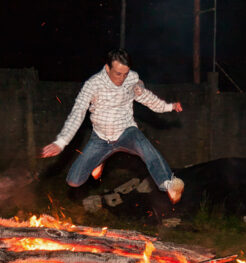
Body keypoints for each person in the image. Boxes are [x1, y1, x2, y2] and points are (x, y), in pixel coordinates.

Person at [41, 49, 184, 203]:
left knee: (146, 149)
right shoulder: (93, 85)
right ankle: (100, 160)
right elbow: (77, 114)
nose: (122, 78)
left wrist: (169, 107)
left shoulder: (132, 79)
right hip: (101, 139)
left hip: (126, 132)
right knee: (74, 181)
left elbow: (147, 98)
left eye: (125, 73)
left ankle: (168, 183)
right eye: (118, 74)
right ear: (107, 68)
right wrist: (61, 142)